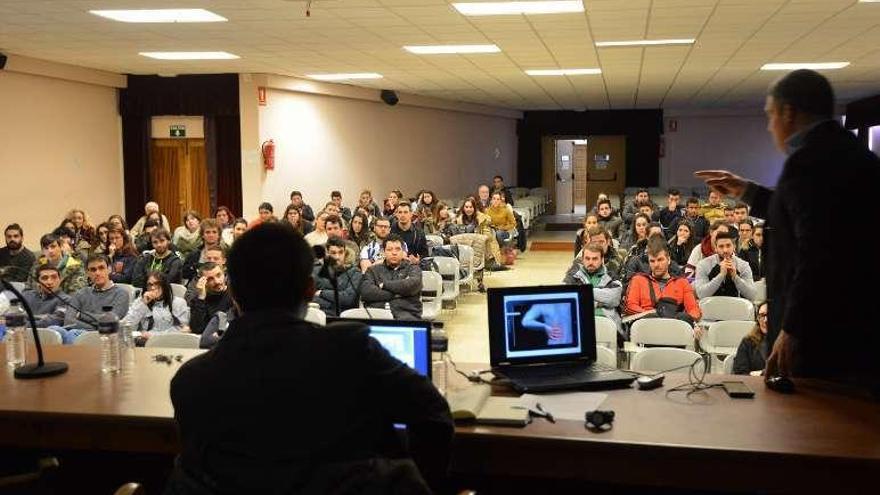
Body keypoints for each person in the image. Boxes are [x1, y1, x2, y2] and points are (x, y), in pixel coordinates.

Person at [166, 223, 452, 493]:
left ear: (233, 291)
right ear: (310, 290)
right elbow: (434, 418)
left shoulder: (191, 381)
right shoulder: (352, 351)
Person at [695, 69, 880, 387]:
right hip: (857, 328)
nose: (770, 126)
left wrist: (792, 330)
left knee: (812, 429)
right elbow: (803, 218)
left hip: (823, 336)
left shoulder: (809, 163)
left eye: (770, 116)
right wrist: (748, 191)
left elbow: (818, 255)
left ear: (788, 112)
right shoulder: (849, 153)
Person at [624, 242, 701, 323]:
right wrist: (652, 314)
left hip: (674, 325)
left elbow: (694, 309)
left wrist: (690, 321)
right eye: (652, 261)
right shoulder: (638, 279)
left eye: (660, 260)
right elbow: (630, 306)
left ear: (668, 260)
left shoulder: (682, 282)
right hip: (646, 324)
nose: (656, 264)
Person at [60, 254, 130, 342]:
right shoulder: (80, 293)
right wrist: (95, 325)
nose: (97, 273)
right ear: (87, 273)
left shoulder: (121, 294)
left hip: (105, 338)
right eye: (93, 270)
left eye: (101, 268)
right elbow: (68, 321)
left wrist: (82, 315)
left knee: (71, 333)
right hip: (81, 333)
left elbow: (110, 323)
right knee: (55, 330)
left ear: (109, 269)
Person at [563, 243, 623, 336]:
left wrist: (583, 293)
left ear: (602, 260)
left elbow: (614, 299)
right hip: (579, 322)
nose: (590, 262)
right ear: (582, 259)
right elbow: (566, 297)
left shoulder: (611, 275)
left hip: (606, 323)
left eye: (595, 259)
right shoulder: (573, 275)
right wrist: (599, 302)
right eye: (587, 258)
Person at [361, 234, 423, 320]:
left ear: (403, 252)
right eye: (389, 249)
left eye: (398, 249)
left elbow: (412, 285)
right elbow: (366, 292)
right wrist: (400, 293)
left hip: (406, 315)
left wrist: (384, 285)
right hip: (376, 315)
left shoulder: (413, 268)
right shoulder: (373, 270)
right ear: (383, 252)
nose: (394, 253)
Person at [121, 271, 189, 340]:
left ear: (164, 285)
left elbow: (182, 329)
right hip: (143, 342)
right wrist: (142, 305)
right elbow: (126, 326)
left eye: (157, 284)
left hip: (168, 342)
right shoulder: (140, 302)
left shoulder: (178, 303)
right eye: (149, 284)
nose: (153, 288)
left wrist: (154, 336)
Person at [693, 231, 756, 301]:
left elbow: (752, 295)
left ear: (734, 246)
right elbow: (701, 294)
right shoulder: (703, 264)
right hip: (711, 307)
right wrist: (721, 275)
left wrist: (735, 277)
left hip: (735, 308)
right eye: (721, 246)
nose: (725, 250)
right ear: (715, 248)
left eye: (728, 245)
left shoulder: (743, 265)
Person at [312, 237, 363, 316]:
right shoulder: (317, 271)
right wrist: (333, 304)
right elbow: (309, 297)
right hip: (320, 315)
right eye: (333, 253)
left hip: (344, 317)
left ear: (345, 252)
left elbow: (348, 299)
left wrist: (322, 292)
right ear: (327, 253)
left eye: (340, 252)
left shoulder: (355, 272)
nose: (337, 257)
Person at [188, 261, 233, 334]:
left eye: (219, 275)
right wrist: (201, 297)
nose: (217, 281)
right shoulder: (198, 300)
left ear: (224, 274)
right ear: (203, 282)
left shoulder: (234, 294)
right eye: (210, 279)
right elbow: (196, 329)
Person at [733, 302, 769, 375]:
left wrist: (758, 373)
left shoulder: (788, 343)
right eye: (762, 316)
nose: (765, 320)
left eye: (769, 315)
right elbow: (740, 373)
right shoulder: (748, 342)